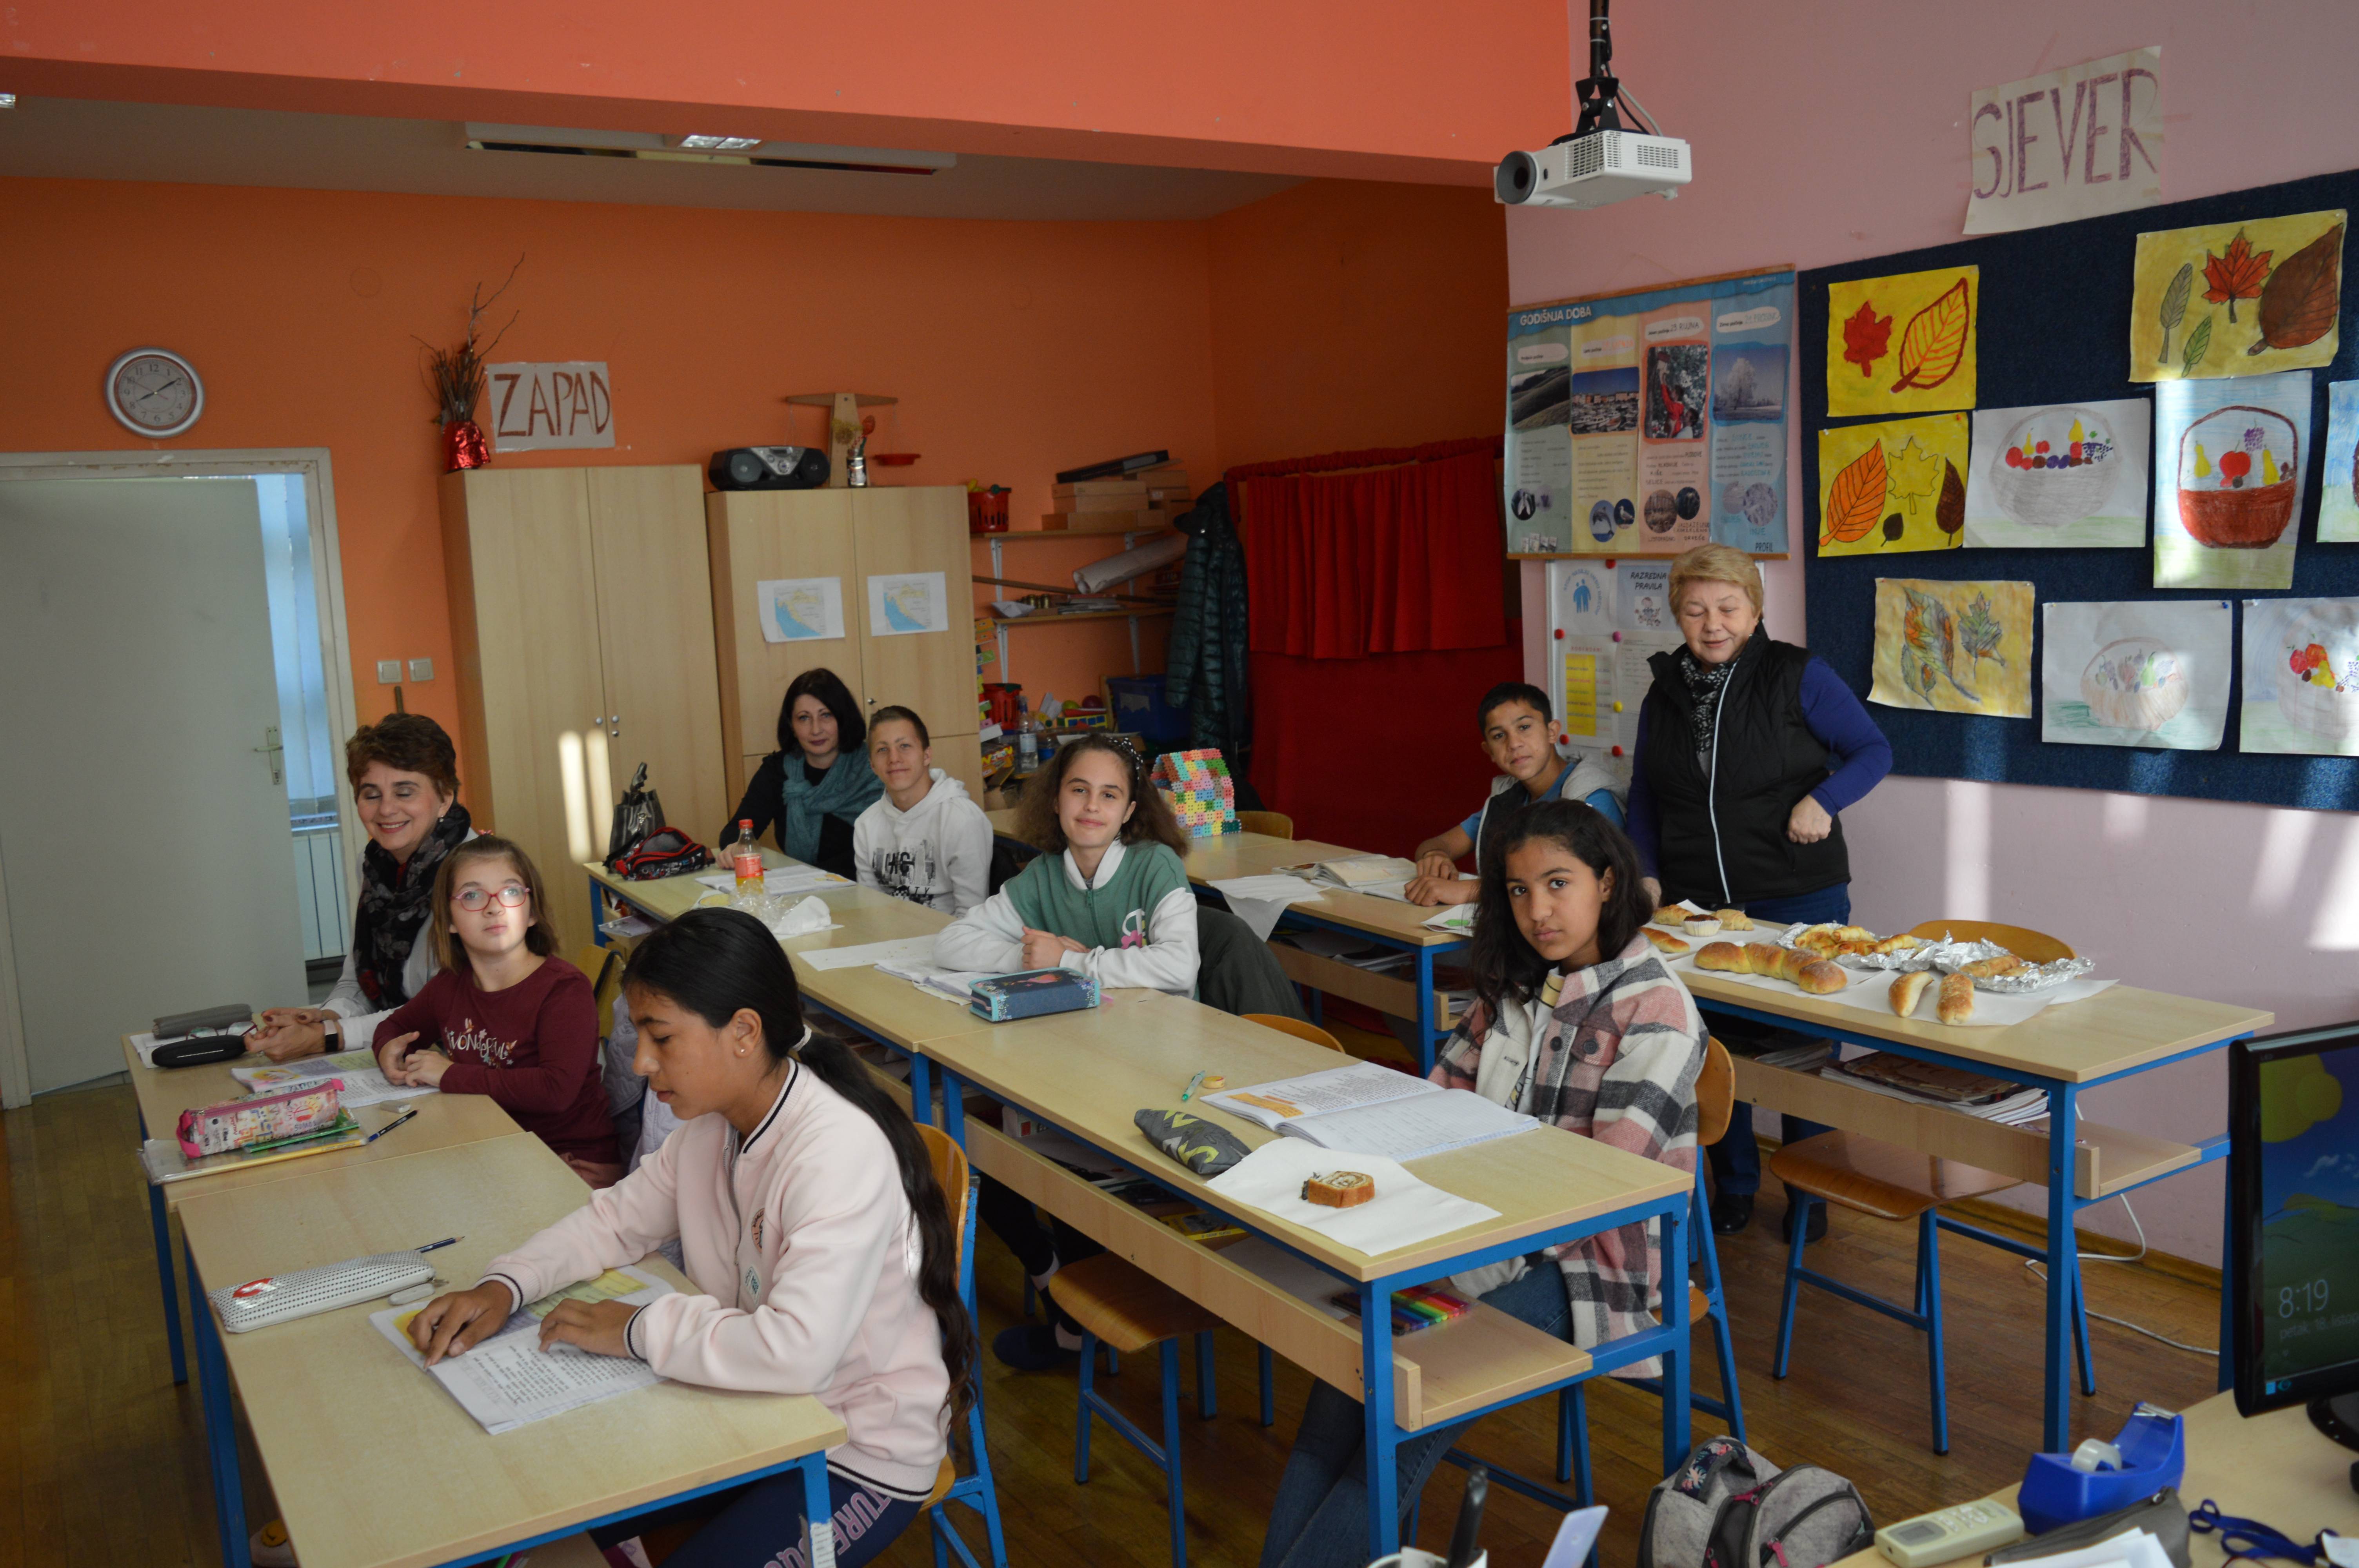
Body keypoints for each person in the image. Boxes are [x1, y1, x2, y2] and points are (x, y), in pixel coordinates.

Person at [404, 908, 973, 1568]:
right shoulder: (711, 1128)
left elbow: (797, 1354)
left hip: (854, 1449)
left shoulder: (835, 1155)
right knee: (528, 1519)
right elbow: (612, 1221)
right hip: (747, 1410)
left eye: (662, 1038)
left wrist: (637, 1329)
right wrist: (506, 1285)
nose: (641, 1062)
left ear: (744, 1033)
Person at [1258, 800, 1704, 1568]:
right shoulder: (1514, 986)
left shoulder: (1656, 1007)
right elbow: (1437, 1102)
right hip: (1467, 1229)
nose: (1538, 911)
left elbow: (1607, 1184)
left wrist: (1470, 1190)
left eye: (1558, 884)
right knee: (1344, 1379)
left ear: (1606, 882)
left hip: (1587, 1263)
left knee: (1404, 1416)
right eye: (1518, 890)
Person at [1624, 543, 1892, 1238]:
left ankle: (1812, 1195)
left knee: (1804, 1056)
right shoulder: (1665, 689)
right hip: (1699, 909)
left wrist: (1824, 800)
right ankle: (1736, 1186)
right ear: (1677, 615)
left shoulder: (1797, 673)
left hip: (1797, 896)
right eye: (1695, 610)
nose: (1712, 624)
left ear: (1755, 610)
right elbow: (1646, 793)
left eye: (1727, 607)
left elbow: (1874, 751)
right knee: (1716, 1050)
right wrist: (1645, 871)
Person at [935, 732, 1196, 1371]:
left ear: (1130, 810)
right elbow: (952, 945)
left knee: (1065, 1159)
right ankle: (1058, 1287)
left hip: (1158, 1072)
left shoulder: (1154, 865)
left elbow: (1178, 964)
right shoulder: (1043, 877)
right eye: (1079, 790)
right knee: (970, 1142)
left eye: (1109, 795)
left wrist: (1073, 961)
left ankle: (1077, 1326)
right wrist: (1033, 957)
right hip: (1075, 1063)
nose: (1091, 806)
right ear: (1056, 800)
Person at [373, 836, 621, 1185]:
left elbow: (555, 1090)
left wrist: (450, 1075)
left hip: (571, 1163)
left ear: (532, 912)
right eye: (472, 895)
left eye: (511, 892)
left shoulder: (564, 989)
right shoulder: (450, 985)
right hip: (496, 1147)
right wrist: (387, 1049)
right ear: (449, 920)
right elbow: (396, 1027)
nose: (494, 908)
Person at [244, 714, 474, 1063]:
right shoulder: (375, 867)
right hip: (405, 1055)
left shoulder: (475, 875)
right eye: (371, 795)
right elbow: (358, 980)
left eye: (405, 792)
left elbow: (442, 1008)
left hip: (466, 1061)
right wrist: (322, 1017)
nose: (386, 809)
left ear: (444, 798)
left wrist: (328, 1037)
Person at [1407, 681, 1623, 906]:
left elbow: (1584, 883)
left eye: (1524, 727)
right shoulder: (1509, 798)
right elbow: (1436, 844)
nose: (1514, 744)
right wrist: (1435, 856)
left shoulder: (1590, 797)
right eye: (1499, 736)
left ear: (1552, 732)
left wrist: (1471, 891)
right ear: (1489, 752)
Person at [722, 668, 882, 879]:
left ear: (842, 718)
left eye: (826, 715)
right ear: (792, 725)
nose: (816, 730)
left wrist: (813, 878)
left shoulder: (873, 766)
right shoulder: (778, 771)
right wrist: (735, 847)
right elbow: (738, 830)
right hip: (801, 888)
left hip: (868, 888)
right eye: (804, 718)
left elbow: (885, 846)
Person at [852, 706, 992, 916]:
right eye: (882, 750)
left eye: (904, 746)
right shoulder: (866, 824)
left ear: (927, 756)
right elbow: (870, 909)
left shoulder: (962, 819)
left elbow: (971, 915)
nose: (894, 758)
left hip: (951, 933)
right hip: (889, 935)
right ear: (872, 765)